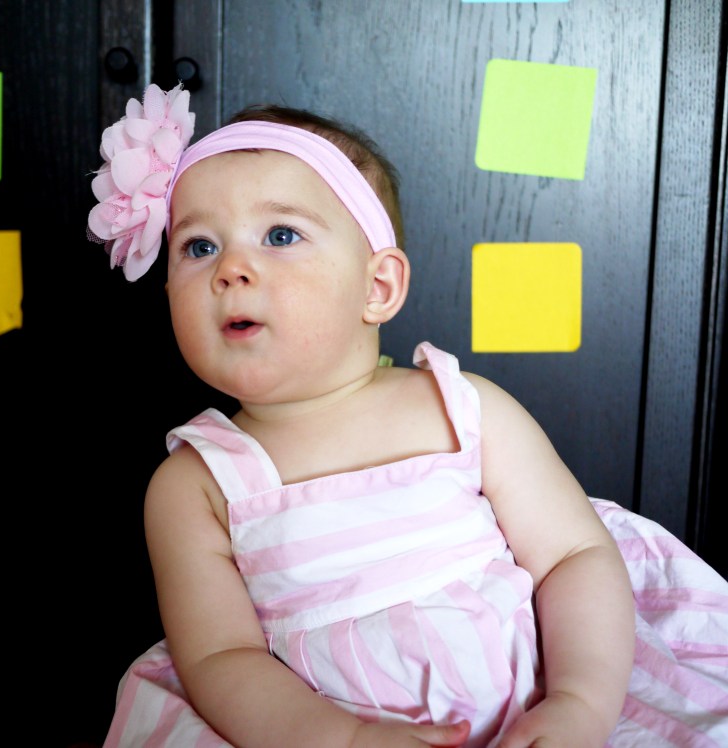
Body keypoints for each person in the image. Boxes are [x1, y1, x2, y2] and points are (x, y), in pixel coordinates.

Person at [88, 83, 728, 748]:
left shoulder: (464, 411)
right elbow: (222, 660)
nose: (231, 269)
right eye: (199, 247)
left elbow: (575, 556)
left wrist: (579, 702)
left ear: (378, 286)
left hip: (539, 716)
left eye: (280, 235)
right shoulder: (194, 486)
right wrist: (344, 740)